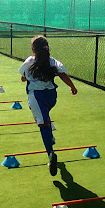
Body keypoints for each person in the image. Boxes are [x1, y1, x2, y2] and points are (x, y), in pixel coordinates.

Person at [19, 35, 77, 176]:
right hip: (51, 97)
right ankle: (50, 139)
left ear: (33, 49)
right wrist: (72, 87)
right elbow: (63, 74)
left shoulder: (30, 61)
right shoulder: (53, 62)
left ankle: (51, 154)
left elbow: (22, 77)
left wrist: (29, 76)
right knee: (45, 117)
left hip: (36, 97)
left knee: (42, 124)